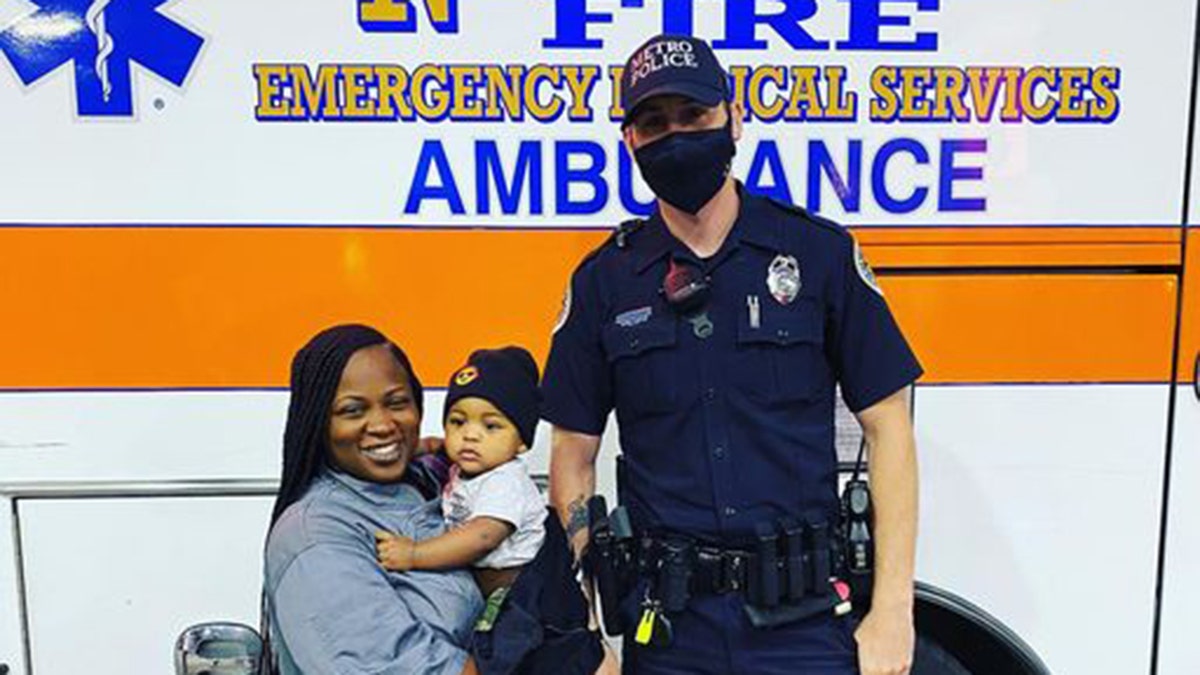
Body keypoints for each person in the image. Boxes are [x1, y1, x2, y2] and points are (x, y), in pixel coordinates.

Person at [542, 34, 923, 675]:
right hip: (667, 627)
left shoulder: (817, 255)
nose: (677, 135)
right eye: (654, 122)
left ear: (733, 118)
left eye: (694, 115)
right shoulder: (605, 282)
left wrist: (892, 610)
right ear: (630, 142)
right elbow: (570, 456)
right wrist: (592, 619)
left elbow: (890, 429)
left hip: (803, 621)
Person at [262, 324, 484, 675]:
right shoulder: (312, 535)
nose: (382, 424)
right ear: (318, 422)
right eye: (352, 410)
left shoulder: (428, 483)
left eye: (397, 403)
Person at [376, 346, 607, 675]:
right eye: (458, 422)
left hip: (528, 596)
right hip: (497, 592)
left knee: (514, 660)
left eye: (491, 426)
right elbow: (435, 445)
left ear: (521, 443)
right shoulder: (469, 463)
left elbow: (481, 537)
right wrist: (411, 447)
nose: (470, 434)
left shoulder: (505, 482)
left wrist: (414, 554)